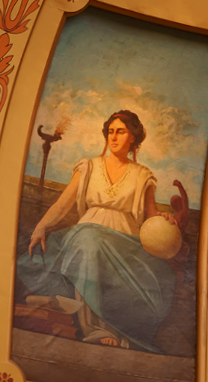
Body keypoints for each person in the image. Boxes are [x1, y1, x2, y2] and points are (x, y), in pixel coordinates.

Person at [17, 110, 180, 352]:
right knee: (89, 243)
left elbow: (151, 216)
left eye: (121, 132)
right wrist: (41, 226)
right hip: (86, 236)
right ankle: (95, 328)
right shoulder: (89, 167)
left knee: (138, 275)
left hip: (123, 242)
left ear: (133, 137)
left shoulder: (142, 175)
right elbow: (63, 204)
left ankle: (80, 313)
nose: (113, 137)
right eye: (110, 132)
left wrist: (164, 219)